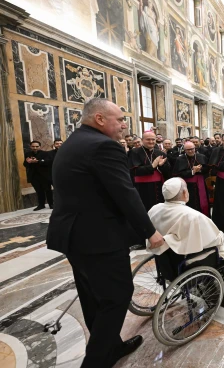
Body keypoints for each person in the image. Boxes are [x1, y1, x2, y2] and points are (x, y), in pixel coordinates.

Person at [47, 98, 164, 367]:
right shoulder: (103, 146)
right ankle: (97, 360)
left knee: (92, 295)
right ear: (99, 119)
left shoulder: (74, 142)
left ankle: (112, 347)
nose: (124, 125)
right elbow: (125, 193)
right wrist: (150, 232)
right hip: (99, 237)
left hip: (74, 236)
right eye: (120, 119)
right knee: (116, 296)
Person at [148, 178, 224, 285]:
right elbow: (215, 239)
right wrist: (222, 236)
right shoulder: (191, 215)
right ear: (185, 193)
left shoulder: (154, 210)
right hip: (189, 260)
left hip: (168, 261)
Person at [129, 131, 171, 211]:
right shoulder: (134, 152)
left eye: (153, 139)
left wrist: (162, 166)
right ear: (142, 140)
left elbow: (168, 171)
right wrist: (152, 166)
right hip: (141, 187)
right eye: (148, 139)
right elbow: (133, 171)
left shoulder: (160, 153)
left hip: (158, 187)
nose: (151, 141)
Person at [172, 141, 210, 216]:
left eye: (192, 149)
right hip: (187, 186)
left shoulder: (202, 156)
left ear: (195, 148)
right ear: (184, 150)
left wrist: (200, 170)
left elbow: (207, 169)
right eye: (188, 149)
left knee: (201, 203)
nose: (190, 151)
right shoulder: (180, 159)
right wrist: (192, 172)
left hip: (200, 184)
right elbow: (177, 173)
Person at [23, 140, 53, 210]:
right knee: (39, 191)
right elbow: (25, 164)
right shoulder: (28, 154)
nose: (35, 148)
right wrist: (28, 162)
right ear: (30, 147)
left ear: (40, 146)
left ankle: (51, 204)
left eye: (37, 146)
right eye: (33, 146)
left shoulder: (45, 153)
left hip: (44, 176)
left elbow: (48, 162)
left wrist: (38, 161)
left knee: (48, 190)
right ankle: (41, 205)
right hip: (34, 176)